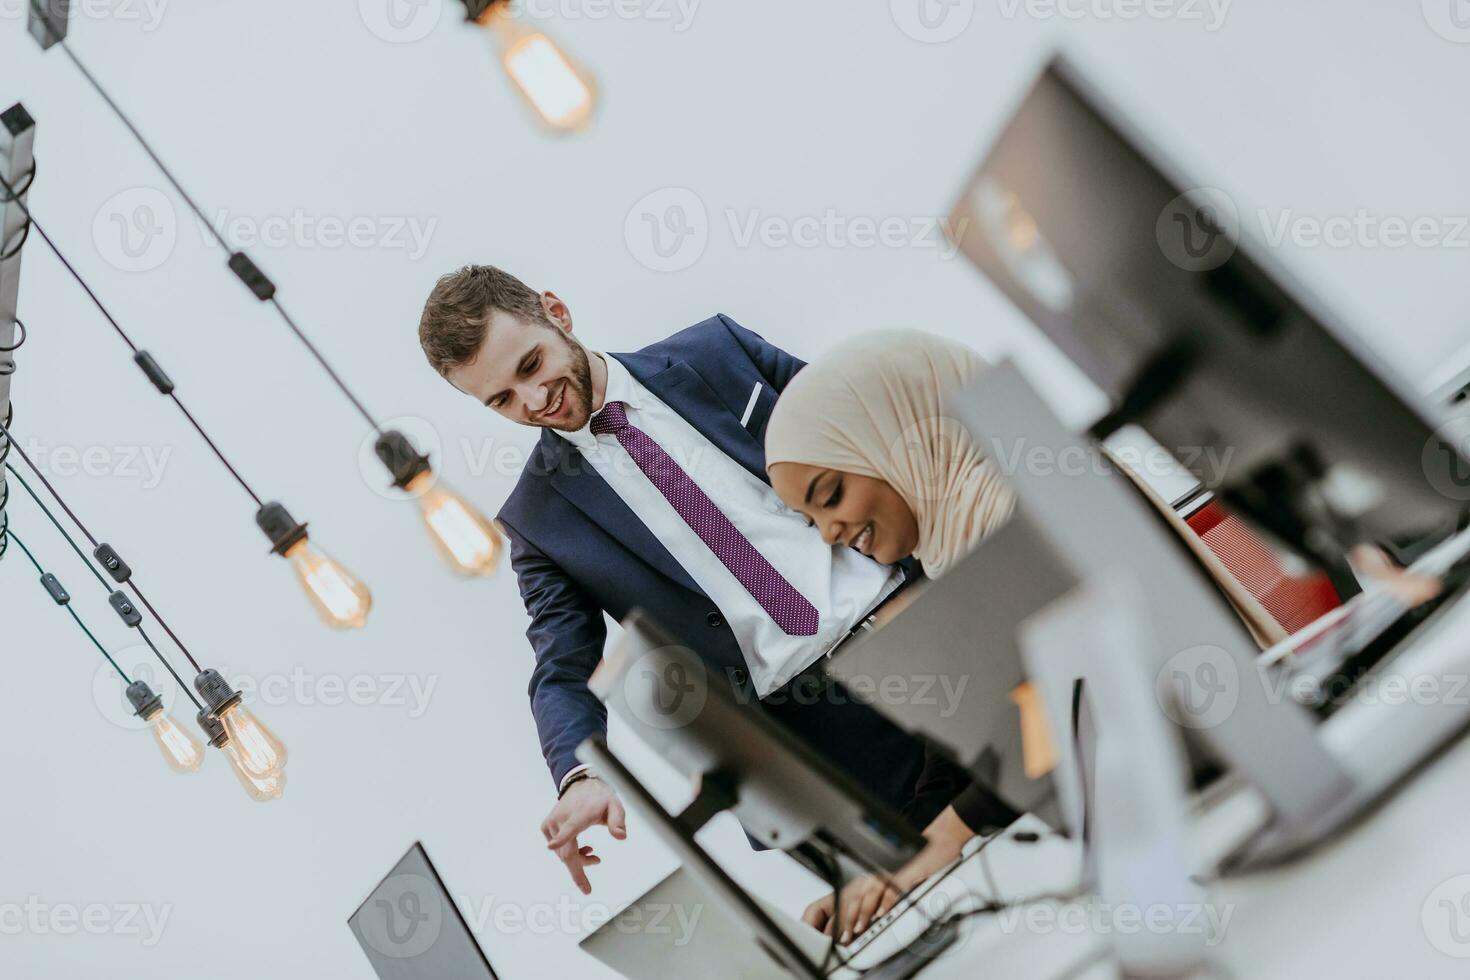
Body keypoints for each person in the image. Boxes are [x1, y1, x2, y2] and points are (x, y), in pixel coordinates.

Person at [416, 267, 995, 896]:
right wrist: (579, 775)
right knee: (931, 918)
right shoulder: (538, 520)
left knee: (1053, 800)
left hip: (922, 634)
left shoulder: (715, 351)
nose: (533, 402)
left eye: (530, 365)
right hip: (818, 743)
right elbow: (560, 665)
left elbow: (868, 430)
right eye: (500, 400)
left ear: (557, 312)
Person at [764, 329, 1023, 939]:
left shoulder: (1013, 509)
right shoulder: (948, 552)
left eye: (831, 496)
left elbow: (1066, 712)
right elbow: (960, 755)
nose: (828, 533)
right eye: (811, 519)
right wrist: (886, 871)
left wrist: (942, 844)